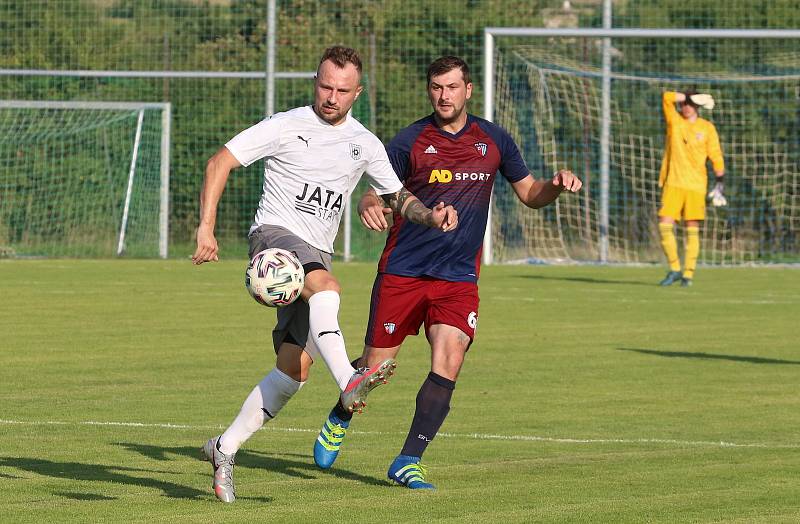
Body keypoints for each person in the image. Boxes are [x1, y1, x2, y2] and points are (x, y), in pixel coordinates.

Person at [192, 46, 458, 503]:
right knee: (328, 287)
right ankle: (349, 380)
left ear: (358, 92)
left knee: (292, 372)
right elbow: (220, 163)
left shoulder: (364, 142)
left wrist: (430, 217)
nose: (330, 97)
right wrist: (206, 228)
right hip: (275, 237)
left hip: (318, 250)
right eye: (324, 86)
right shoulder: (286, 125)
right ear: (315, 82)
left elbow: (397, 197)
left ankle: (225, 447)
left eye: (341, 90)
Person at [312, 56, 582, 489]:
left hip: (458, 278)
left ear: (468, 90)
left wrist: (555, 184)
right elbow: (376, 192)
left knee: (450, 356)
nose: (444, 95)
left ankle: (408, 460)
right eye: (436, 87)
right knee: (375, 369)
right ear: (429, 90)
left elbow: (530, 193)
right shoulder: (410, 140)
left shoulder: (494, 140)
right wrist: (368, 207)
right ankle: (342, 412)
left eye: (452, 87)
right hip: (404, 270)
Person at [657, 90, 725, 287]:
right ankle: (675, 268)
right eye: (684, 104)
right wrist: (687, 96)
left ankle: (688, 274)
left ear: (697, 107)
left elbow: (716, 155)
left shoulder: (707, 128)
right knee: (664, 225)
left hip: (696, 186)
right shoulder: (675, 122)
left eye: (689, 104)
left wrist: (720, 181)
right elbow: (666, 97)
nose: (685, 107)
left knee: (691, 229)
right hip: (673, 183)